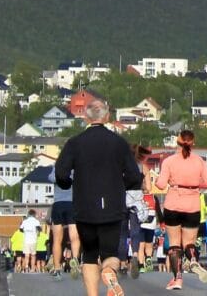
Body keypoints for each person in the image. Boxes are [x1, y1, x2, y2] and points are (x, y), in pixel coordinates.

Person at [55, 97, 143, 296]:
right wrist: (123, 187)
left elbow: (61, 173)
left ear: (86, 118)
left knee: (89, 255)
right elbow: (134, 176)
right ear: (108, 117)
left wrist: (67, 184)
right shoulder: (119, 143)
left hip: (84, 208)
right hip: (112, 208)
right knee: (110, 254)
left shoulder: (75, 143)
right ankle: (109, 272)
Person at [155, 130, 207, 290]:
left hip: (173, 203)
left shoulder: (169, 161)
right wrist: (195, 185)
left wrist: (172, 183)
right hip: (192, 204)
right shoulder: (199, 161)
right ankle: (193, 259)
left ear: (177, 141)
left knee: (174, 244)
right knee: (189, 242)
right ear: (193, 143)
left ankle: (177, 278)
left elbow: (160, 184)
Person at [119, 145, 151, 279]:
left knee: (122, 233)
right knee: (135, 230)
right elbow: (148, 188)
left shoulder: (120, 167)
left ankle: (121, 263)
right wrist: (140, 187)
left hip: (121, 201)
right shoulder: (143, 167)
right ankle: (136, 255)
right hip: (136, 201)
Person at [49, 166, 82, 280]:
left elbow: (50, 178)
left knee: (57, 239)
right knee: (74, 236)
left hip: (58, 204)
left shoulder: (57, 167)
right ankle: (75, 260)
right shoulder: (78, 167)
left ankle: (57, 269)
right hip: (73, 203)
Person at [19, 209, 40, 273]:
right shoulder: (36, 221)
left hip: (26, 240)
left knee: (26, 255)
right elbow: (39, 229)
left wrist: (25, 231)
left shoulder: (25, 221)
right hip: (33, 240)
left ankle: (26, 267)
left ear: (28, 214)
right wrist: (36, 232)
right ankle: (32, 268)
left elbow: (20, 229)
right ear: (34, 214)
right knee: (33, 255)